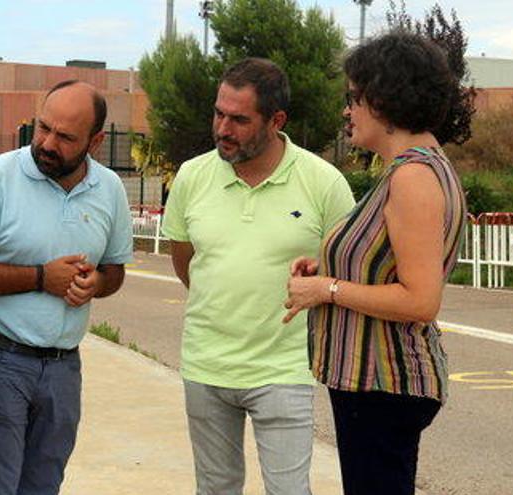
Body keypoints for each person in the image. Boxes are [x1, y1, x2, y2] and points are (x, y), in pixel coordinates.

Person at [283, 32, 469, 495]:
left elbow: (421, 300)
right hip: (373, 385)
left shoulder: (413, 178)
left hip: (383, 384)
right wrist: (330, 270)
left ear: (385, 98)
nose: (348, 110)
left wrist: (325, 290)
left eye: (355, 97)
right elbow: (385, 260)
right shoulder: (414, 168)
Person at [162, 58, 355, 495]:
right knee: (215, 488)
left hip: (285, 368)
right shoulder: (192, 177)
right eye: (219, 113)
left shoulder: (324, 183)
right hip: (206, 365)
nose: (223, 129)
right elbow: (186, 262)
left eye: (239, 119)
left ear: (276, 120)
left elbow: (343, 270)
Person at [0, 80, 133, 495]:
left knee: (44, 486)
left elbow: (115, 270)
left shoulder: (109, 190)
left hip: (64, 370)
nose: (46, 143)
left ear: (96, 141)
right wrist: (42, 278)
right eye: (43, 127)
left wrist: (96, 282)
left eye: (65, 137)